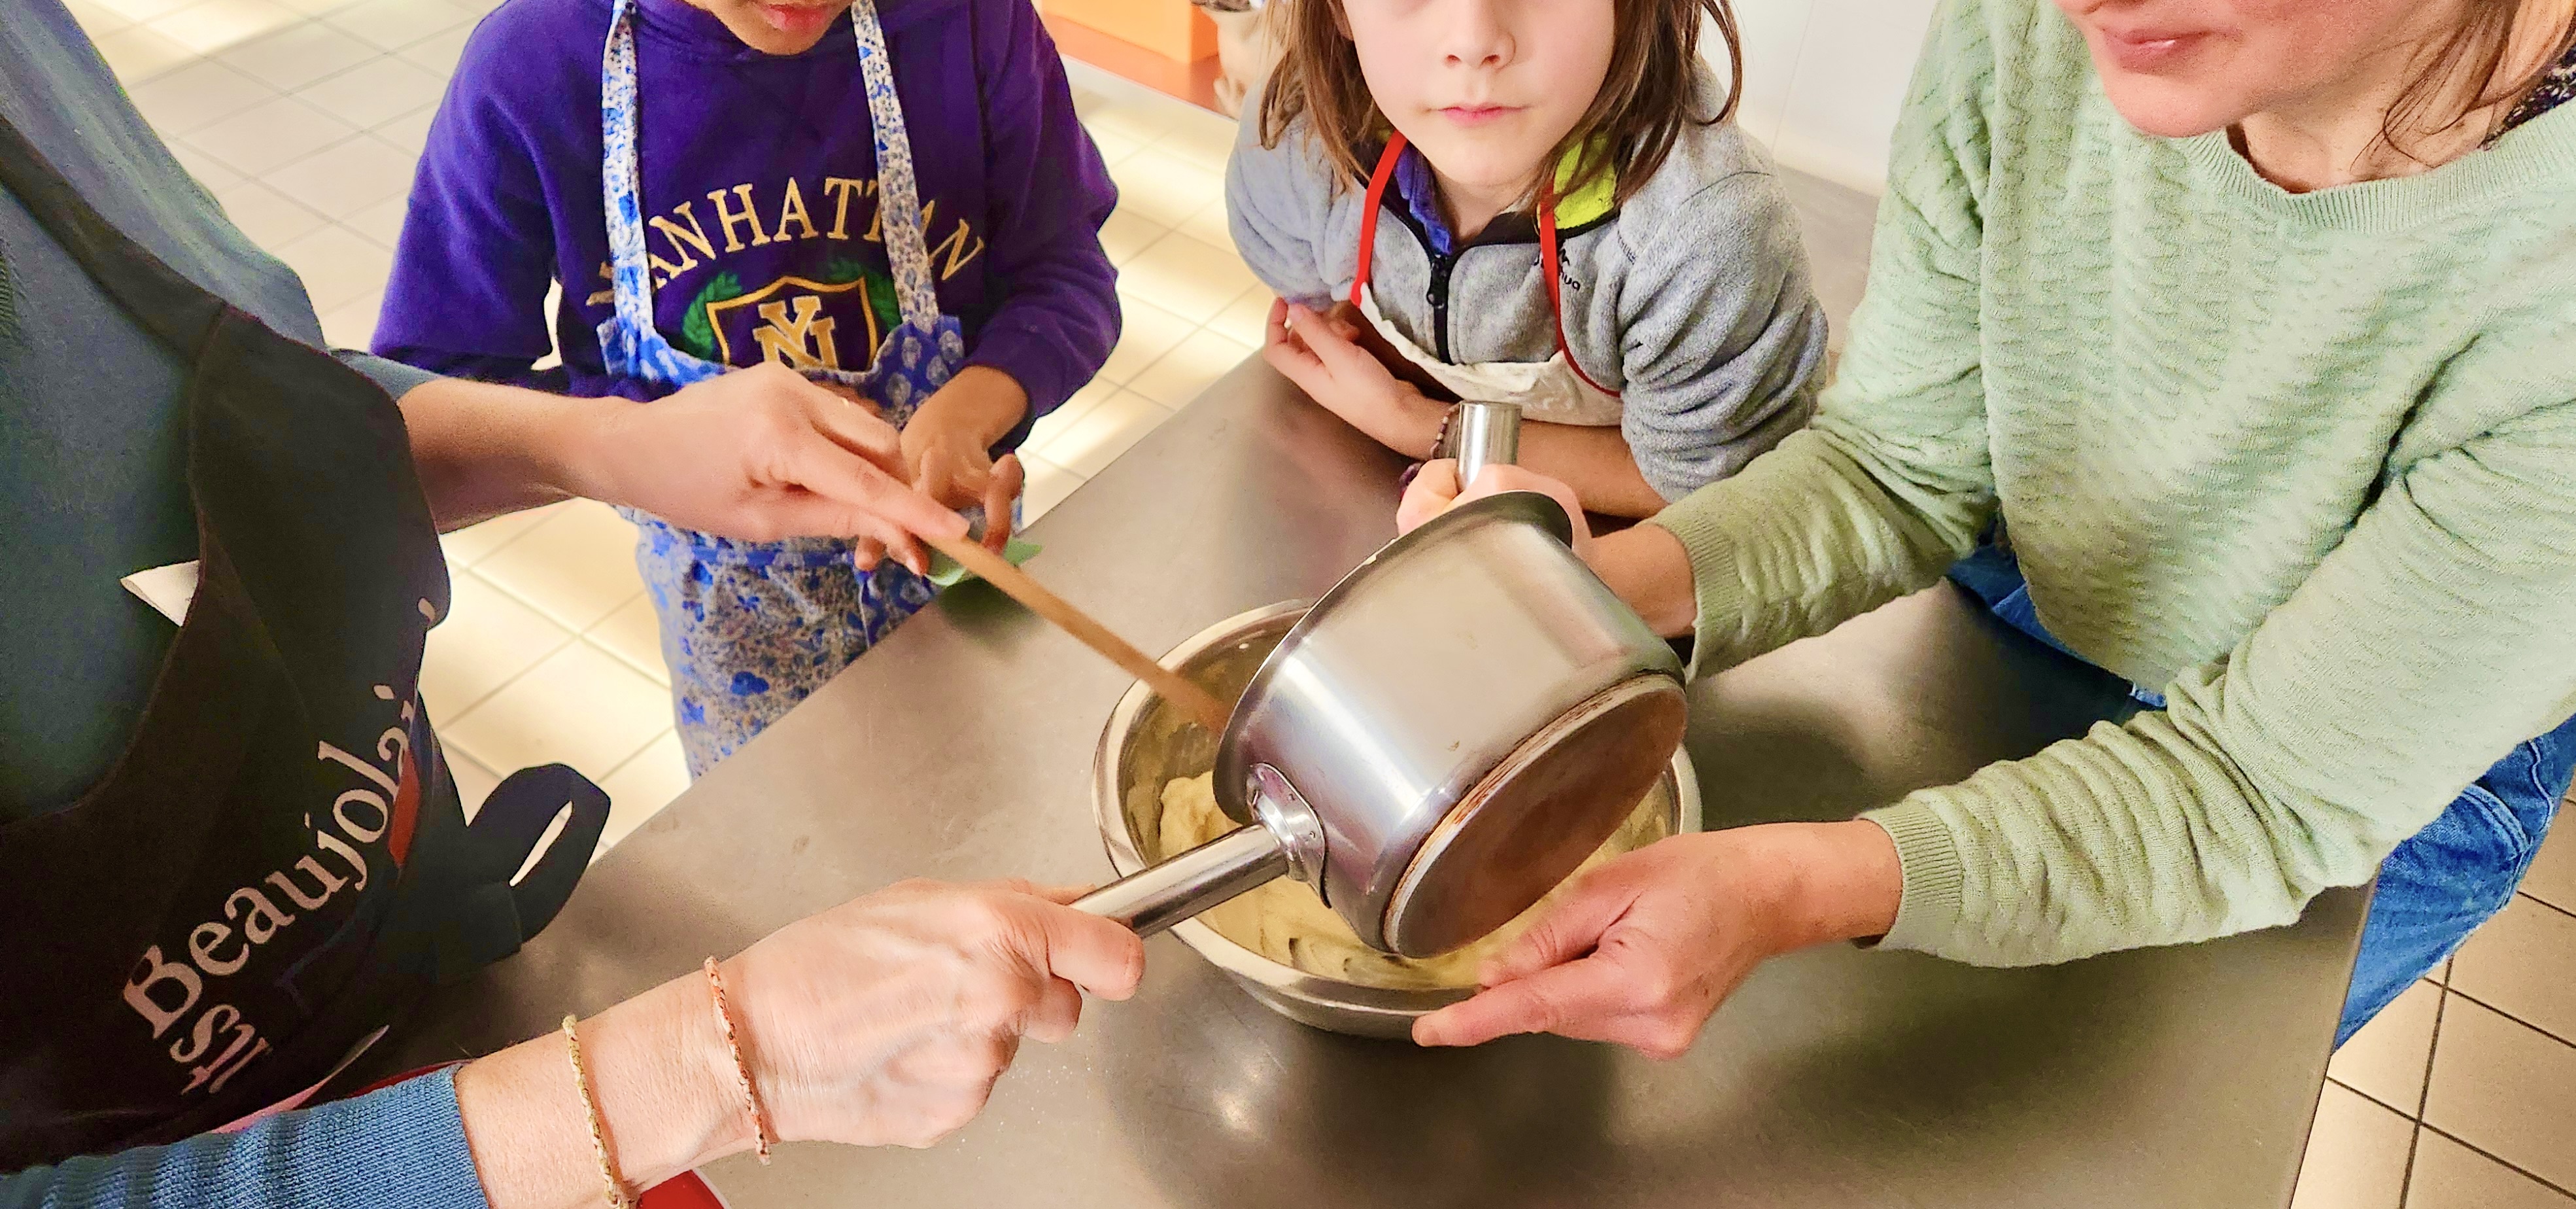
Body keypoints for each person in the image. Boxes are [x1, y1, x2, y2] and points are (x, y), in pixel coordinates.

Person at [0, 3, 1141, 1203]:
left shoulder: (968, 29)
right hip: (738, 658)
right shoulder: (539, 68)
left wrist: (620, 447)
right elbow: (439, 355)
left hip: (416, 925)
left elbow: (307, 419)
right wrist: (723, 1060)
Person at [1398, 0, 2576, 1058]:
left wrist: (1786, 886)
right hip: (2068, 579)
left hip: (2370, 784)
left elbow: (2260, 791)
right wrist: (1581, 607)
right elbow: (1896, 463)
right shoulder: (2042, 26)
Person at [375, 0, 1124, 775]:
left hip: (963, 570)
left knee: (998, 777)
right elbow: (430, 396)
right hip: (735, 641)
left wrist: (967, 414)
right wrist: (653, 434)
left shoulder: (972, 23)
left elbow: (1064, 275)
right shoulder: (531, 67)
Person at [1226, 0, 1829, 519]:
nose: (1474, 41)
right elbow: (1325, 309)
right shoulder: (1292, 142)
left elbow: (1700, 487)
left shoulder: (1700, 238)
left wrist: (1418, 425)